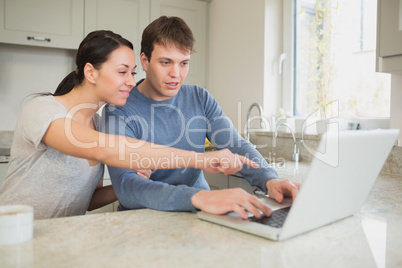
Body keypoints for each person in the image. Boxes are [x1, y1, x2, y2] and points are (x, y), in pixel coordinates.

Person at [0, 30, 259, 220]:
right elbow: (103, 149)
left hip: (61, 237)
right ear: (91, 72)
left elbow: (86, 200)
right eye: (122, 72)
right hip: (13, 234)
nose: (130, 81)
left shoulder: (99, 123)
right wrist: (200, 159)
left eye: (133, 72)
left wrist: (125, 183)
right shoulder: (42, 109)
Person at [102, 16, 301, 220]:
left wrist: (270, 181)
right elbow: (127, 186)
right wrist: (198, 197)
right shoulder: (119, 109)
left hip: (200, 215)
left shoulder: (199, 97)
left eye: (184, 63)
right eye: (165, 62)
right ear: (145, 61)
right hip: (144, 220)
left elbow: (236, 145)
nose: (176, 74)